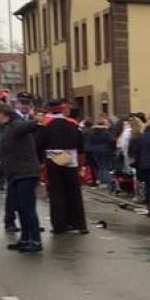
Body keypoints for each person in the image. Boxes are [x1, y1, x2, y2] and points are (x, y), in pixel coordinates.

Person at [0, 103, 43, 253]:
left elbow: (29, 126)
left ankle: (35, 240)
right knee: (21, 208)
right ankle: (25, 238)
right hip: (15, 174)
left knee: (27, 208)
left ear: (4, 114)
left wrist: (37, 121)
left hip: (25, 173)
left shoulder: (16, 126)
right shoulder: (7, 128)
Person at [38, 100, 88, 234]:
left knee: (56, 193)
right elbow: (81, 146)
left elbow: (40, 144)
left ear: (49, 110)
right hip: (71, 159)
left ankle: (60, 225)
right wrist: (81, 163)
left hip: (52, 159)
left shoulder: (45, 125)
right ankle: (79, 223)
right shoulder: (72, 124)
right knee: (74, 192)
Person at [86, 117, 116, 188]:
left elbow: (90, 141)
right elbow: (112, 141)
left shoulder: (92, 132)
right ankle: (106, 182)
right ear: (104, 123)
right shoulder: (106, 132)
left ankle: (101, 181)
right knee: (106, 166)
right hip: (106, 150)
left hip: (95, 150)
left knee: (100, 167)